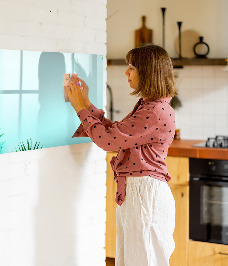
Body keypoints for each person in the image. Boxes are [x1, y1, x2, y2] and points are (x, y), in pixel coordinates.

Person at [65, 44, 177, 266]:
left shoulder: (154, 111)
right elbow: (116, 133)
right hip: (140, 193)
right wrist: (86, 103)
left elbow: (108, 141)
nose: (126, 72)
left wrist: (80, 108)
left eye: (132, 67)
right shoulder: (150, 106)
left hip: (145, 195)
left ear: (148, 72)